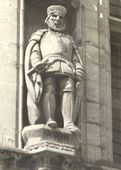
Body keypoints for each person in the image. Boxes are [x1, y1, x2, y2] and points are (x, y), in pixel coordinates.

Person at [25, 5, 84, 131]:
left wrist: (78, 69)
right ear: (48, 18)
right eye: (54, 16)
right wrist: (36, 63)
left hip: (66, 67)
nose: (58, 19)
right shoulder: (40, 35)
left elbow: (75, 58)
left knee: (68, 89)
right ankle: (49, 119)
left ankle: (68, 122)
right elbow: (34, 51)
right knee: (49, 89)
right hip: (48, 65)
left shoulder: (68, 39)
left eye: (61, 17)